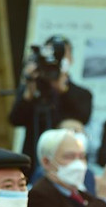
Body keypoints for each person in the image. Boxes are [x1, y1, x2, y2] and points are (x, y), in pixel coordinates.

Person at [9, 35, 93, 169]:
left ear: (71, 59)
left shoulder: (81, 93)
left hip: (65, 163)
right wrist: (29, 91)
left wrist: (62, 89)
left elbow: (82, 118)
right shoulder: (32, 89)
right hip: (31, 159)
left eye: (62, 55)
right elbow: (15, 119)